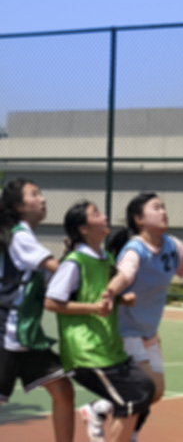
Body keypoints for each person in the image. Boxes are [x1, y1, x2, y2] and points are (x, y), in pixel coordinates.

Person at [93, 192, 183, 440]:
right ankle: (125, 431)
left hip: (148, 331)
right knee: (142, 387)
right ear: (139, 219)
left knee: (156, 391)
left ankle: (99, 408)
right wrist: (111, 290)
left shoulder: (171, 246)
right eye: (156, 208)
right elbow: (124, 274)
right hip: (125, 331)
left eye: (163, 207)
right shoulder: (135, 250)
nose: (163, 211)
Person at [45, 201, 155, 442]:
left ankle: (100, 417)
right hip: (86, 351)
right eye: (96, 214)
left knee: (146, 388)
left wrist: (121, 299)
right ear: (83, 228)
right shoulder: (75, 262)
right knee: (132, 398)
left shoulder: (106, 258)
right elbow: (51, 302)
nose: (104, 216)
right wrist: (93, 308)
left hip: (108, 347)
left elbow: (98, 295)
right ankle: (99, 417)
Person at [0, 178, 75, 442]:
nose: (42, 198)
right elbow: (59, 271)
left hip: (26, 336)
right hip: (6, 334)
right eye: (34, 194)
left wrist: (68, 257)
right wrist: (81, 263)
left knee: (63, 390)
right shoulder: (20, 236)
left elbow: (53, 281)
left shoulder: (24, 237)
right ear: (19, 206)